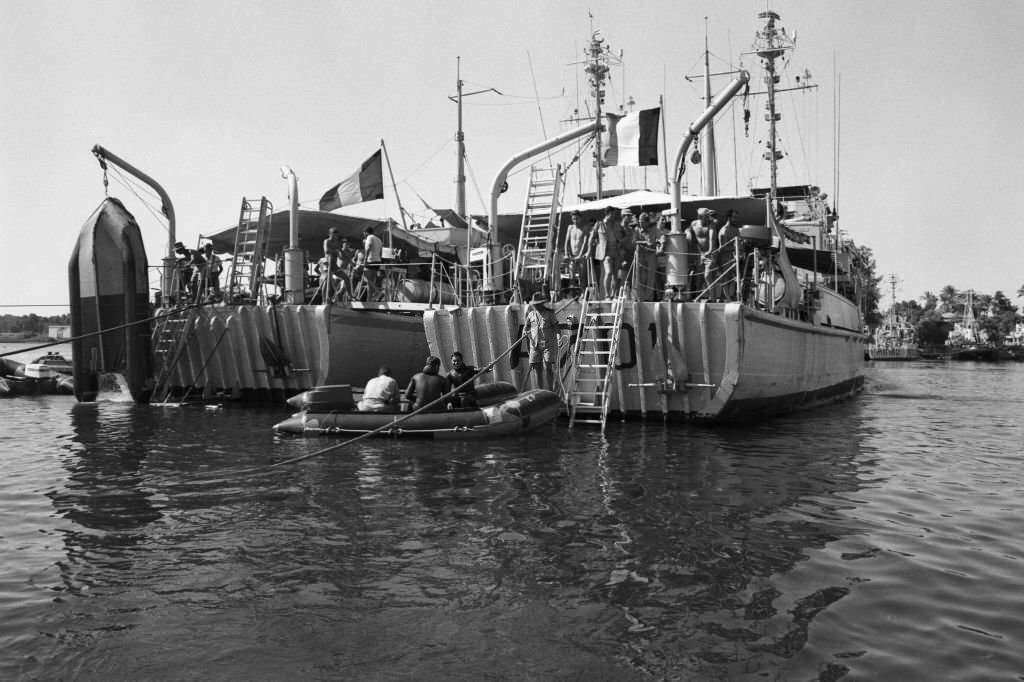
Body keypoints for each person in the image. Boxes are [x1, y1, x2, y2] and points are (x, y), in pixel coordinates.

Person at [523, 292, 560, 390]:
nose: (535, 306)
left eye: (536, 304)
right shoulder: (531, 314)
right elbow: (526, 328)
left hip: (548, 344)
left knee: (548, 367)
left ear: (541, 304)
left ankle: (550, 391)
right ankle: (539, 391)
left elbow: (557, 328)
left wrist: (558, 337)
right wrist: (530, 338)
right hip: (534, 346)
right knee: (537, 369)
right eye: (534, 304)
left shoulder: (549, 314)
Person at [716, 209, 741, 301]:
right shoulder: (724, 231)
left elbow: (740, 243)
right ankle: (727, 298)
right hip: (725, 257)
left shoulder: (736, 229)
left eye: (737, 218)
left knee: (734, 277)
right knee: (725, 278)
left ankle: (727, 297)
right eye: (734, 217)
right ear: (729, 218)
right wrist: (735, 249)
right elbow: (722, 248)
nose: (736, 219)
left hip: (734, 257)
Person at [564, 210, 591, 290]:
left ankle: (583, 293)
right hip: (572, 256)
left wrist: (580, 255)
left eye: (577, 219)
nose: (575, 221)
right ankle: (572, 293)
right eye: (573, 219)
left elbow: (585, 242)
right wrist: (566, 253)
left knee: (582, 276)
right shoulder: (570, 227)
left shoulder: (584, 228)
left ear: (580, 218)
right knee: (571, 276)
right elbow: (567, 241)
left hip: (581, 256)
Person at [361, 226, 383, 301]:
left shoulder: (369, 237)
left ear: (366, 232)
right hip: (377, 261)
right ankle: (369, 300)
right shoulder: (379, 240)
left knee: (365, 278)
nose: (364, 234)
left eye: (364, 233)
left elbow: (368, 247)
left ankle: (378, 292)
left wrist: (365, 259)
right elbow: (380, 252)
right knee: (371, 282)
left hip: (371, 260)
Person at [323, 227, 343, 301]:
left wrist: (339, 254)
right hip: (328, 265)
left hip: (334, 266)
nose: (336, 237)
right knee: (327, 282)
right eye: (334, 235)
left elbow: (341, 252)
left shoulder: (336, 242)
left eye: (336, 236)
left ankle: (331, 298)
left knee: (344, 279)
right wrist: (336, 252)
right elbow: (327, 251)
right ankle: (324, 299)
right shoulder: (326, 241)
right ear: (330, 234)